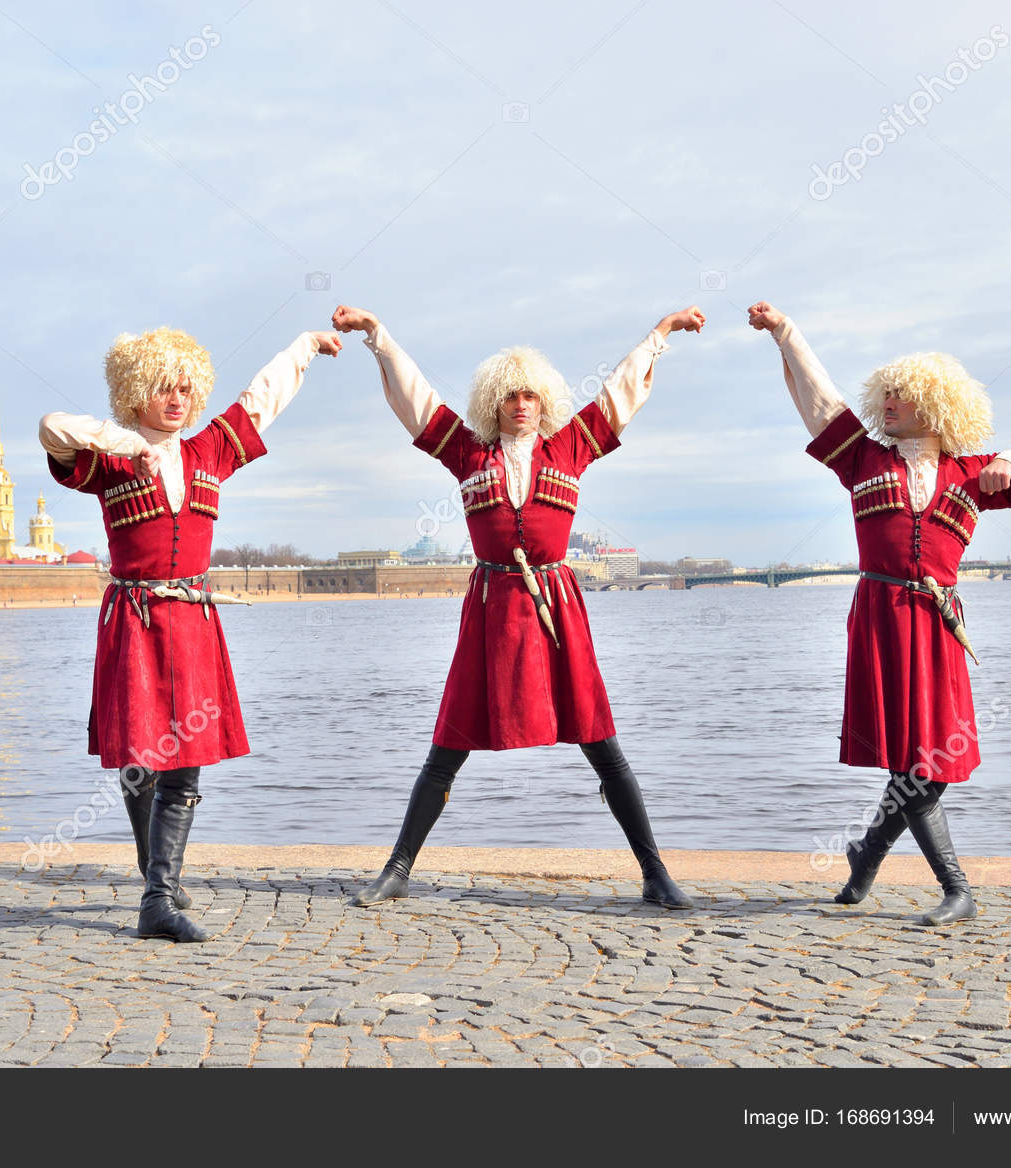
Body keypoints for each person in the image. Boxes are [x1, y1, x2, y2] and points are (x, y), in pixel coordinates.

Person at [332, 302, 705, 909]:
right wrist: (378, 336)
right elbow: (416, 399)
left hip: (558, 610)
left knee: (600, 740)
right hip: (491, 609)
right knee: (449, 742)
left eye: (530, 395)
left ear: (543, 400)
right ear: (494, 402)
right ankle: (397, 869)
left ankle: (655, 872)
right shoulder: (467, 452)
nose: (521, 404)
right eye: (510, 396)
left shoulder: (572, 445)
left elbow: (620, 393)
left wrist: (660, 334)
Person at [747, 300, 1011, 925]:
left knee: (932, 762)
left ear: (938, 405)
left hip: (938, 626)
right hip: (881, 618)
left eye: (904, 395)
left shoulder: (974, 474)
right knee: (913, 762)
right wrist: (786, 333)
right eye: (887, 394)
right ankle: (956, 890)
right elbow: (820, 400)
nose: (889, 403)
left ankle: (868, 853)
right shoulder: (863, 459)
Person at [39, 324, 342, 940]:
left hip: (193, 621)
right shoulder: (109, 460)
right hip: (135, 620)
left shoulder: (210, 450)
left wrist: (306, 345)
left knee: (186, 765)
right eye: (162, 388)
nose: (176, 399)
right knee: (140, 760)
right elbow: (51, 426)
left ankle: (158, 895)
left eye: (184, 388)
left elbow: (262, 398)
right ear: (135, 392)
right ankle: (158, 883)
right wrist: (127, 442)